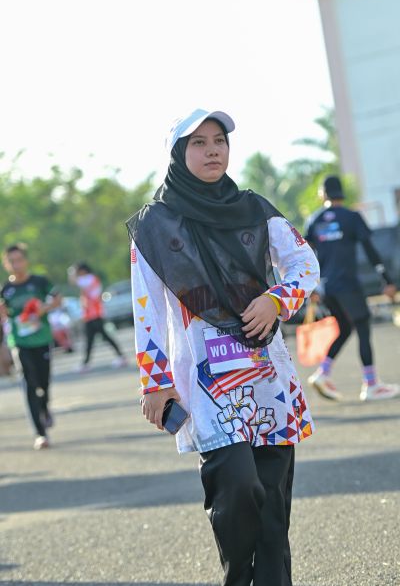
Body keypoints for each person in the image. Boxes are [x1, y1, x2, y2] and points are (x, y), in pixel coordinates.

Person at [127, 109, 320, 586]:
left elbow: (304, 264)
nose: (213, 150)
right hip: (207, 384)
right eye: (199, 143)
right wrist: (156, 383)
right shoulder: (155, 227)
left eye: (220, 141)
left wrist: (277, 300)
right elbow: (146, 310)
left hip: (268, 376)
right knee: (236, 488)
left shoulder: (254, 208)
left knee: (273, 507)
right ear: (178, 154)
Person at [304, 175, 399, 402]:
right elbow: (370, 250)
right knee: (363, 325)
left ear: (323, 194)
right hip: (348, 284)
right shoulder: (351, 217)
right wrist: (386, 280)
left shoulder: (314, 220)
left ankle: (322, 374)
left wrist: (310, 288)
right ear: (341, 193)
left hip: (326, 287)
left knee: (345, 328)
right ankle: (371, 385)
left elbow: (305, 256)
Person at [0, 243, 62, 450]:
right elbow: (3, 314)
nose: (16, 265)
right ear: (6, 264)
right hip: (20, 343)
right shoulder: (5, 290)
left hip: (42, 339)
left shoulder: (39, 282)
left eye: (19, 260)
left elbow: (57, 298)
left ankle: (44, 408)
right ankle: (40, 433)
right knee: (28, 383)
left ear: (25, 261)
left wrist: (45, 307)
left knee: (43, 382)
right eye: (11, 262)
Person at [69, 263, 126, 371]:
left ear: (83, 271)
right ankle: (86, 363)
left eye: (78, 271)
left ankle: (120, 357)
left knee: (102, 337)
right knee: (91, 339)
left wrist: (71, 272)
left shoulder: (90, 278)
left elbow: (74, 281)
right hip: (90, 315)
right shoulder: (89, 279)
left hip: (95, 314)